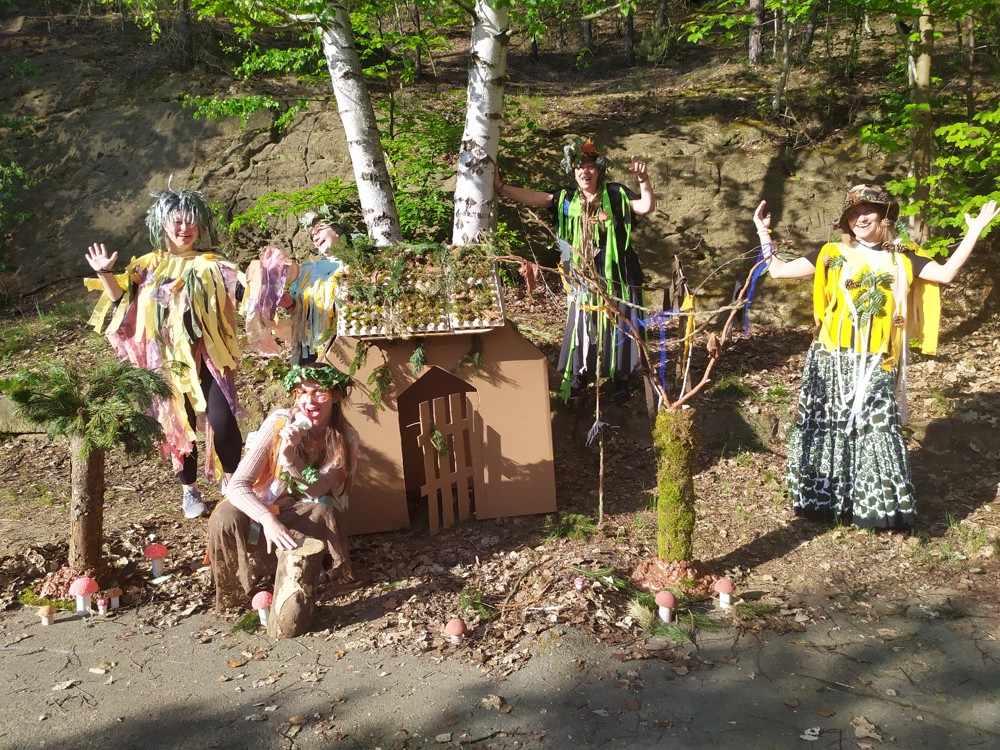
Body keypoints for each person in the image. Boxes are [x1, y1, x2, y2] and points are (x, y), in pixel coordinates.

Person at [755, 185, 999, 529]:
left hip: (877, 360)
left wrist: (974, 232)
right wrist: (762, 232)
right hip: (831, 357)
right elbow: (778, 270)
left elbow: (945, 274)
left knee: (877, 425)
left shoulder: (903, 257)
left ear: (885, 216)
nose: (860, 218)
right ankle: (825, 501)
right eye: (853, 213)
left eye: (867, 211)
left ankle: (877, 507)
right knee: (828, 425)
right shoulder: (831, 252)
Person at [84, 187, 244, 519]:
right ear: (163, 225)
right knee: (178, 424)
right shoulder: (148, 265)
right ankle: (190, 490)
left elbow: (244, 291)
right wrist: (104, 273)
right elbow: (122, 304)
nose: (185, 229)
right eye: (178, 222)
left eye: (192, 222)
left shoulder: (213, 264)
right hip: (168, 361)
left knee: (223, 419)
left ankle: (234, 484)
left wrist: (265, 284)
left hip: (210, 356)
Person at [495, 138, 656, 402]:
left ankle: (621, 379)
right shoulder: (566, 199)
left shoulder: (615, 194)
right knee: (583, 322)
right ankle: (581, 373)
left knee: (622, 322)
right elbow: (536, 197)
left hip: (619, 273)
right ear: (573, 171)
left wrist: (643, 179)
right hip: (583, 274)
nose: (585, 171)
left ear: (599, 170)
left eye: (590, 166)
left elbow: (646, 207)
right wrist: (500, 187)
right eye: (579, 167)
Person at [207, 364, 358, 611]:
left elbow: (318, 490)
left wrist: (290, 458)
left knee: (325, 512)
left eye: (319, 392)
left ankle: (312, 573)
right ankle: (239, 591)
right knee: (224, 517)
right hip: (262, 505)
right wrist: (266, 519)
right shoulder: (279, 424)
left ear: (336, 396)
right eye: (301, 392)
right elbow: (237, 485)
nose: (309, 401)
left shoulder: (344, 438)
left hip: (300, 509)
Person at [244, 206, 346, 365]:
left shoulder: (359, 263)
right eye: (312, 235)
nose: (315, 237)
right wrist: (284, 300)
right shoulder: (307, 271)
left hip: (348, 343)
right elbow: (298, 309)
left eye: (319, 229)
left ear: (337, 228)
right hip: (311, 349)